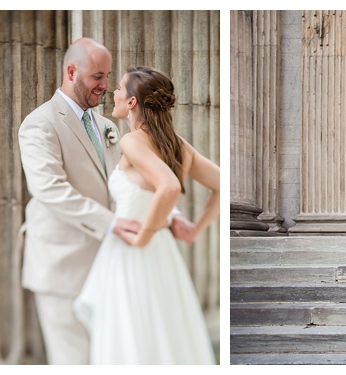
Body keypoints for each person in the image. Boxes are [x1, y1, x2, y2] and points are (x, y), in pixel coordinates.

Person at [17, 37, 194, 365]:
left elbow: (129, 183)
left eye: (108, 76)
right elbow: (50, 189)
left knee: (109, 355)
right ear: (72, 72)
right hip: (62, 263)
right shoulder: (39, 124)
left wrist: (171, 215)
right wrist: (111, 223)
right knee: (74, 359)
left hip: (109, 263)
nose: (105, 85)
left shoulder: (107, 126)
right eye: (97, 76)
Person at [73, 66, 219, 365]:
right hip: (161, 252)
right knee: (160, 331)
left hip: (133, 250)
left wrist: (144, 235)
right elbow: (220, 184)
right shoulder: (177, 145)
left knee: (128, 335)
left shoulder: (133, 140)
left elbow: (167, 186)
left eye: (120, 88)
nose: (113, 90)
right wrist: (195, 228)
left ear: (132, 102)